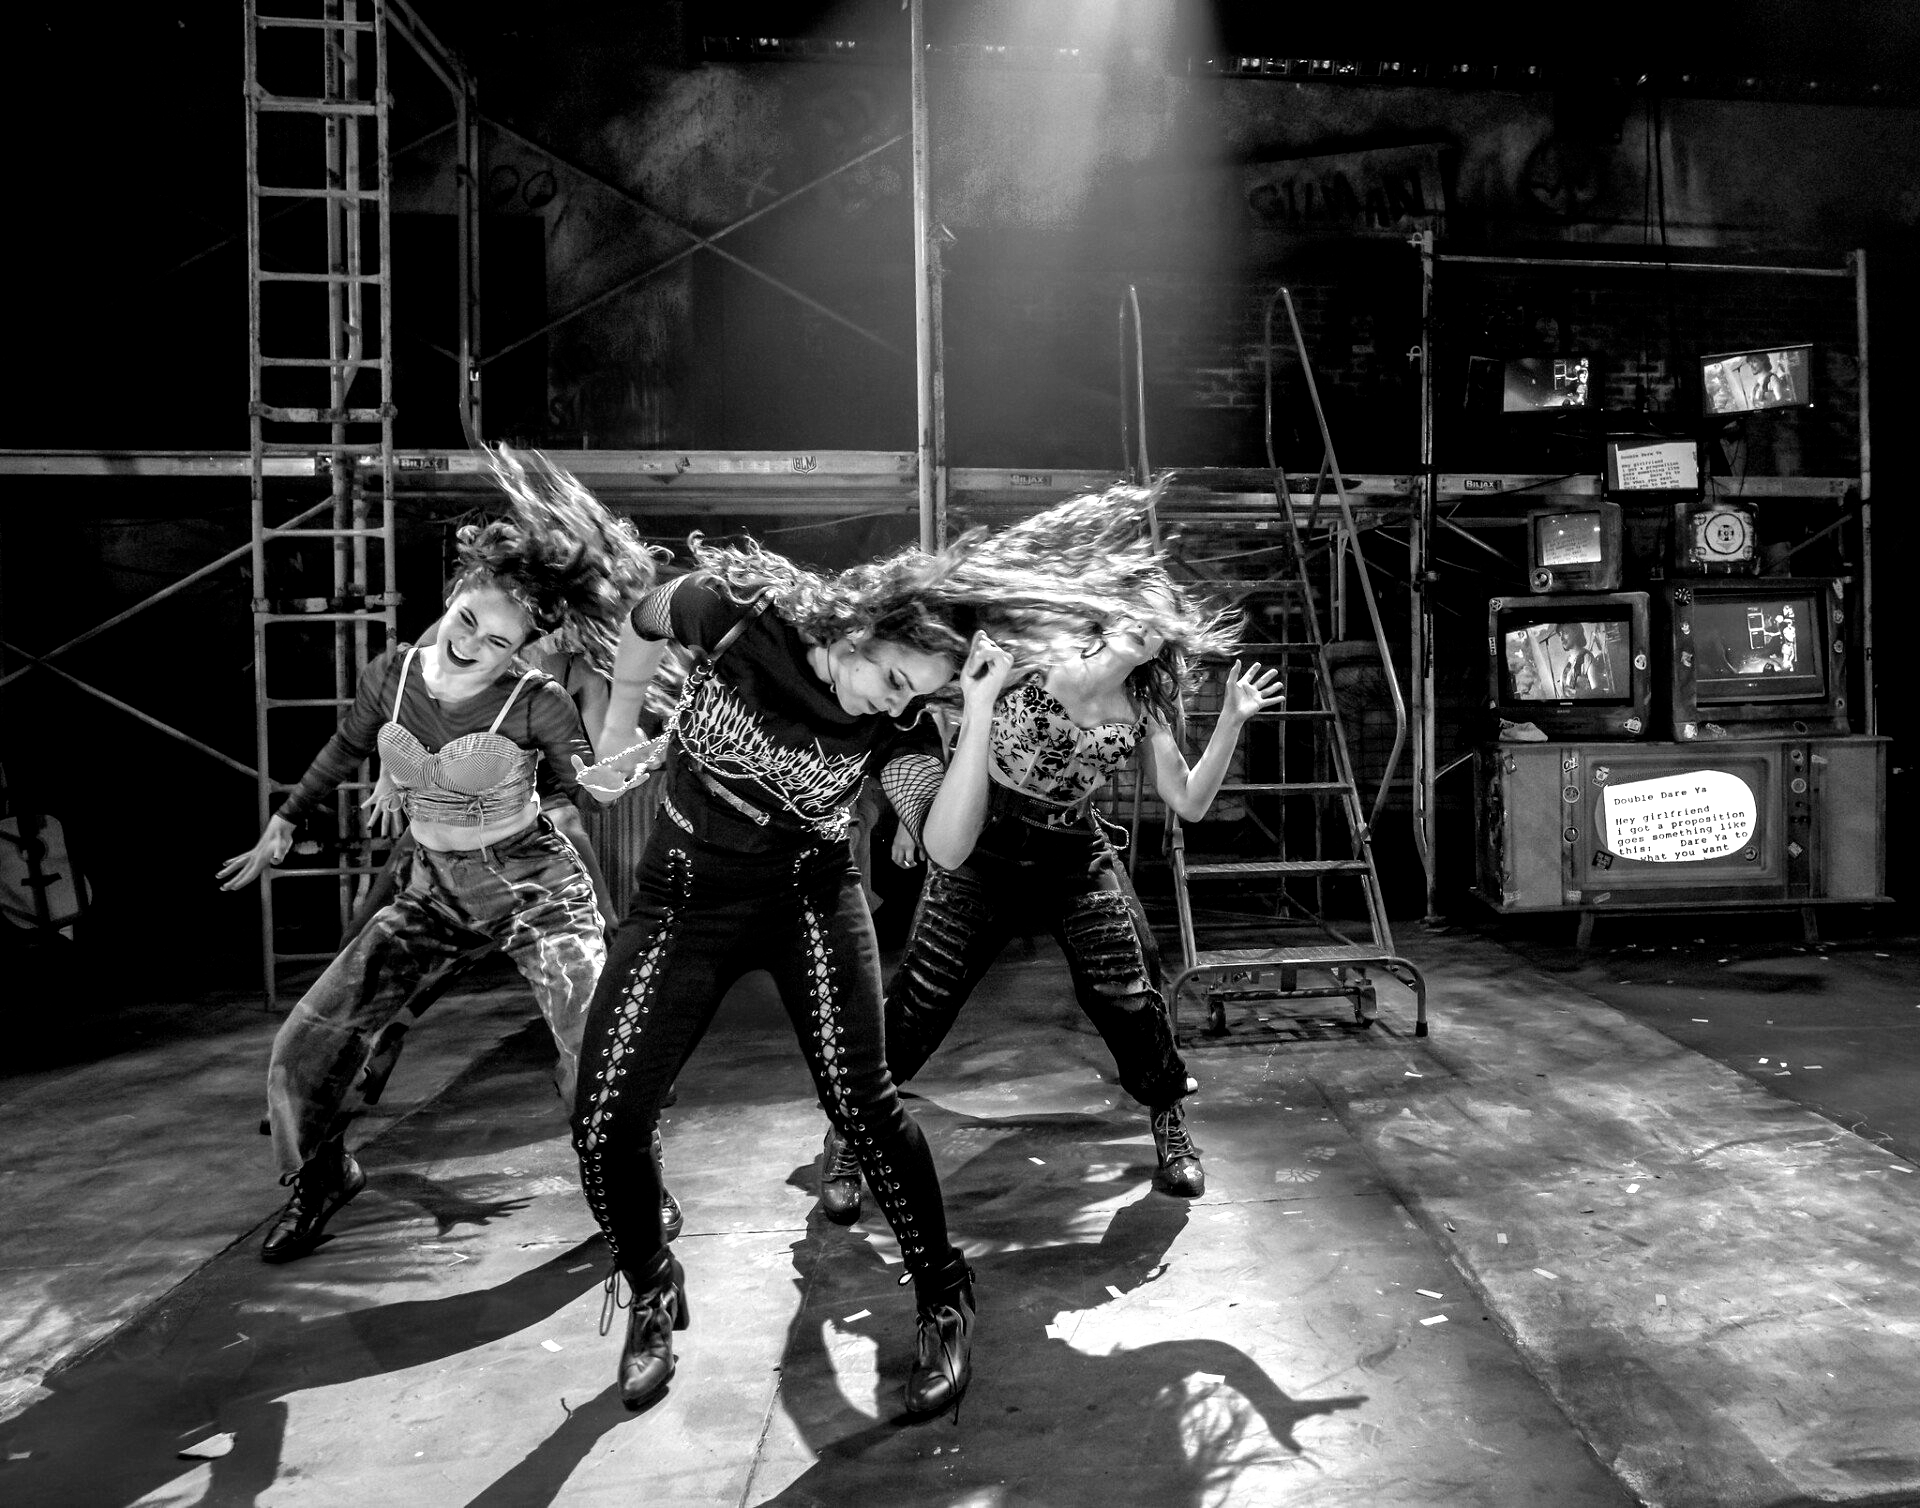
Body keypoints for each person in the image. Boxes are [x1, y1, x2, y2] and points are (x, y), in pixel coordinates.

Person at [569, 524, 1129, 1419]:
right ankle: (650, 1282)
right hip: (684, 895)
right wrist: (619, 722)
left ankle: (946, 1294)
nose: (891, 704)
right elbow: (643, 616)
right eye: (896, 677)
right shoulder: (736, 617)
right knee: (604, 1121)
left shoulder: (902, 717)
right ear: (867, 622)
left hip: (807, 897)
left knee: (864, 1106)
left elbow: (945, 848)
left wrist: (973, 714)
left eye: (920, 695)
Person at [218, 445, 660, 1264]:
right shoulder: (395, 672)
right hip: (431, 889)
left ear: (522, 649)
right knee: (303, 1046)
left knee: (595, 1040)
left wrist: (624, 769)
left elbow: (581, 789)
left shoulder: (539, 701)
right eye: (468, 621)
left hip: (533, 885)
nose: (473, 644)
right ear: (452, 599)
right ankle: (322, 1179)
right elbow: (346, 744)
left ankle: (629, 1185)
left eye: (497, 642)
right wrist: (286, 818)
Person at [811, 486, 1284, 1225]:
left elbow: (1188, 801)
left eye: (1156, 626)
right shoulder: (1037, 660)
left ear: (1160, 641)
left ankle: (1167, 1117)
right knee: (924, 1000)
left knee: (1127, 987)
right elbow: (949, 708)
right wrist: (917, 804)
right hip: (985, 845)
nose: (1144, 629)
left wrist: (1229, 718)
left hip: (1072, 849)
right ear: (1108, 614)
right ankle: (850, 1130)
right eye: (1135, 612)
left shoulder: (1149, 707)